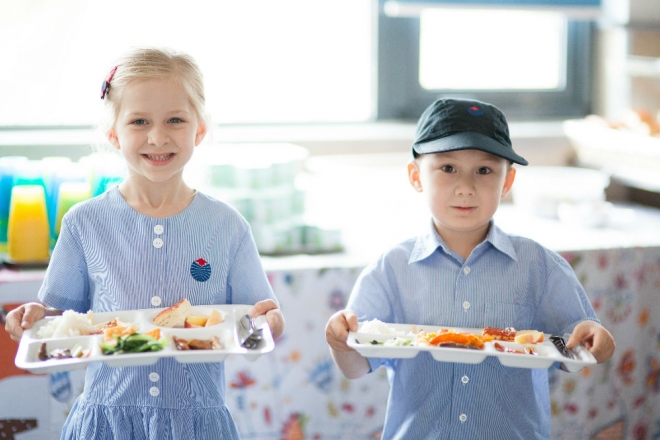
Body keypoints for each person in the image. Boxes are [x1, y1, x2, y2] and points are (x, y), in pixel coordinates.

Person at [5, 47, 285, 440]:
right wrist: (35, 316)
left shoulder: (227, 226)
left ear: (198, 130)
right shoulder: (84, 223)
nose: (158, 136)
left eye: (175, 119)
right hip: (106, 421)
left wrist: (271, 321)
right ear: (114, 134)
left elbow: (256, 318)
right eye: (139, 121)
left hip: (197, 424)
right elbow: (60, 319)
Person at [325, 98, 615, 440]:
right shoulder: (390, 270)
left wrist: (596, 340)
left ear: (507, 182)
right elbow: (357, 366)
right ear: (416, 176)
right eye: (448, 168)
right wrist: (340, 343)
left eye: (484, 170)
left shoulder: (541, 267)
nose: (466, 187)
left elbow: (576, 349)